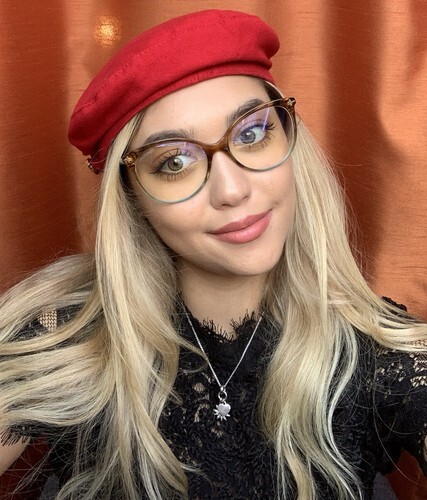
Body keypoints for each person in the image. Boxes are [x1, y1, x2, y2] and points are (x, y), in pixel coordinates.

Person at [0, 9, 426, 500]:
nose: (232, 190)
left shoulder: (379, 354)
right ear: (133, 198)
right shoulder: (63, 336)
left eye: (252, 133)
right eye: (175, 162)